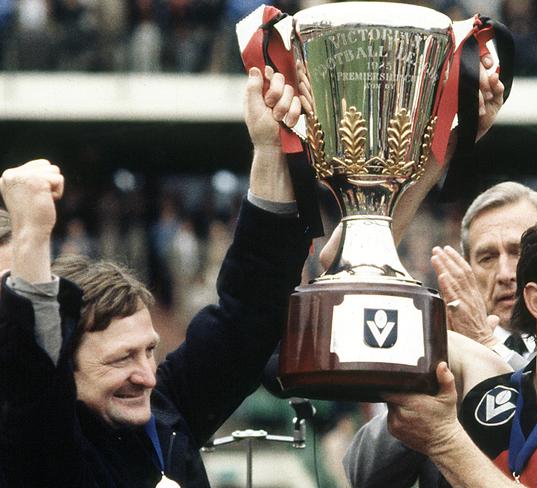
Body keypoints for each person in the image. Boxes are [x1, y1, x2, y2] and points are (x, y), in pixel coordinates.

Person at [0, 64, 310, 488]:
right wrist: (32, 238)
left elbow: (249, 314)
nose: (146, 374)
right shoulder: (41, 451)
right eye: (121, 358)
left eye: (148, 351)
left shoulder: (165, 412)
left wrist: (271, 152)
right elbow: (32, 387)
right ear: (64, 365)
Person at [344, 183, 537, 487]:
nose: (506, 274)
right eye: (487, 257)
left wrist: (446, 439)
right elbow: (364, 474)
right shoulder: (461, 359)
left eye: (518, 251)